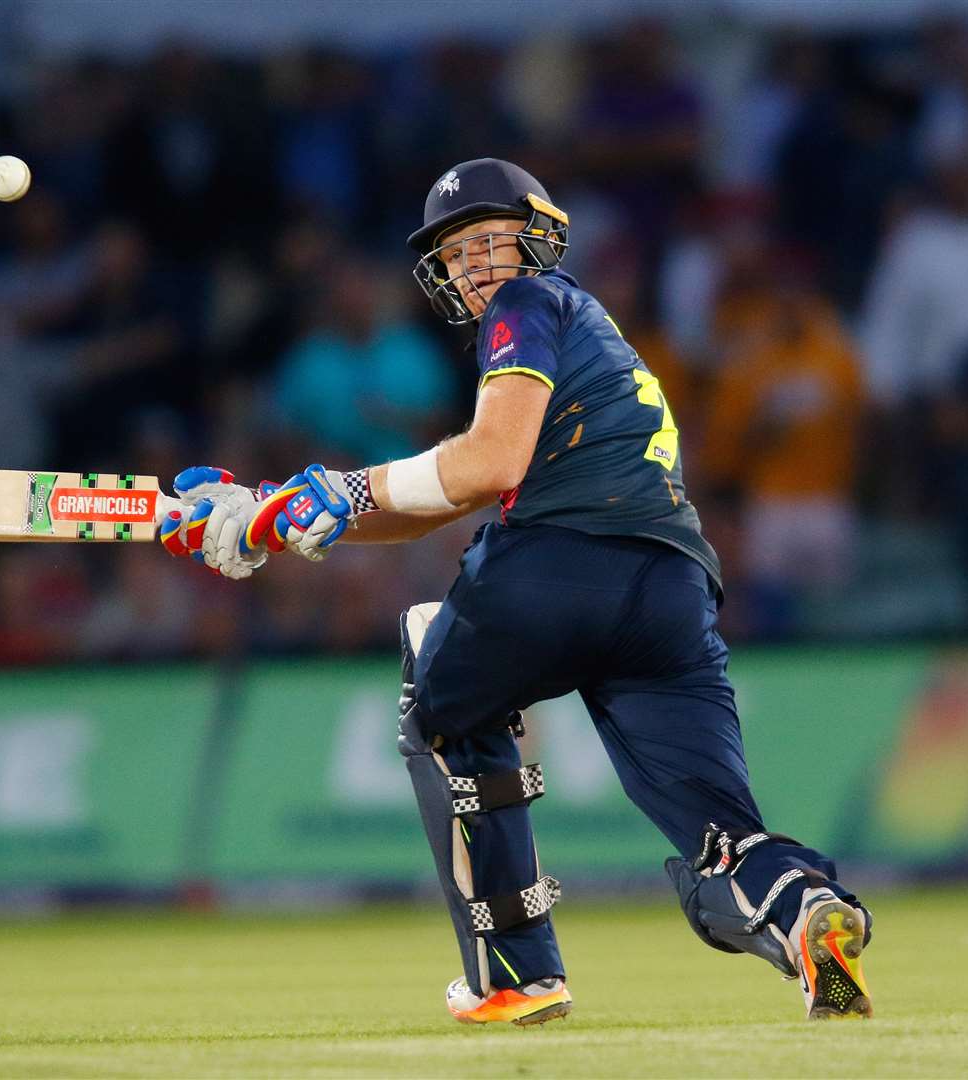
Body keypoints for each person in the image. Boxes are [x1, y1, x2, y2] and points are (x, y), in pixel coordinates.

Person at [159, 159, 874, 1024]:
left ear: (540, 235)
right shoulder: (587, 333)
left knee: (440, 685)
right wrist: (270, 516)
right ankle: (807, 917)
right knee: (721, 841)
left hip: (559, 563)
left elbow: (488, 463)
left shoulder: (530, 304)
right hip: (671, 593)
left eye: (489, 238)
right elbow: (440, 499)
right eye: (455, 254)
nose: (473, 264)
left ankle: (516, 974)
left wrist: (337, 491)